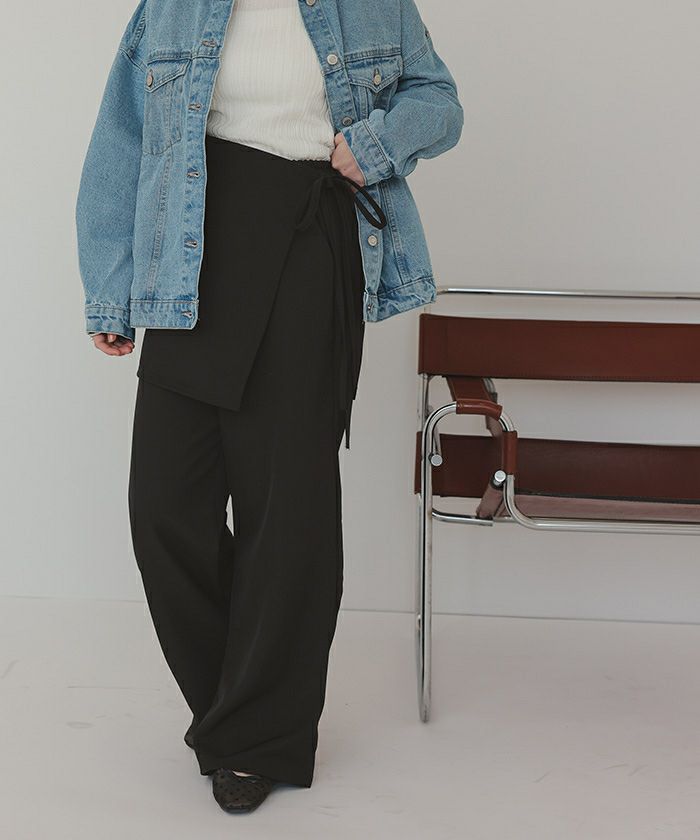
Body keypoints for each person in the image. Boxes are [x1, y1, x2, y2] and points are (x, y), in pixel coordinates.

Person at [75, 0, 463, 815]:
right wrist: (111, 288)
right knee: (164, 507)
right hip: (191, 255)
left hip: (308, 245)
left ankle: (257, 738)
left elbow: (438, 99)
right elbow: (124, 135)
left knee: (287, 512)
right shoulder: (172, 8)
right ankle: (242, 709)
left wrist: (374, 145)